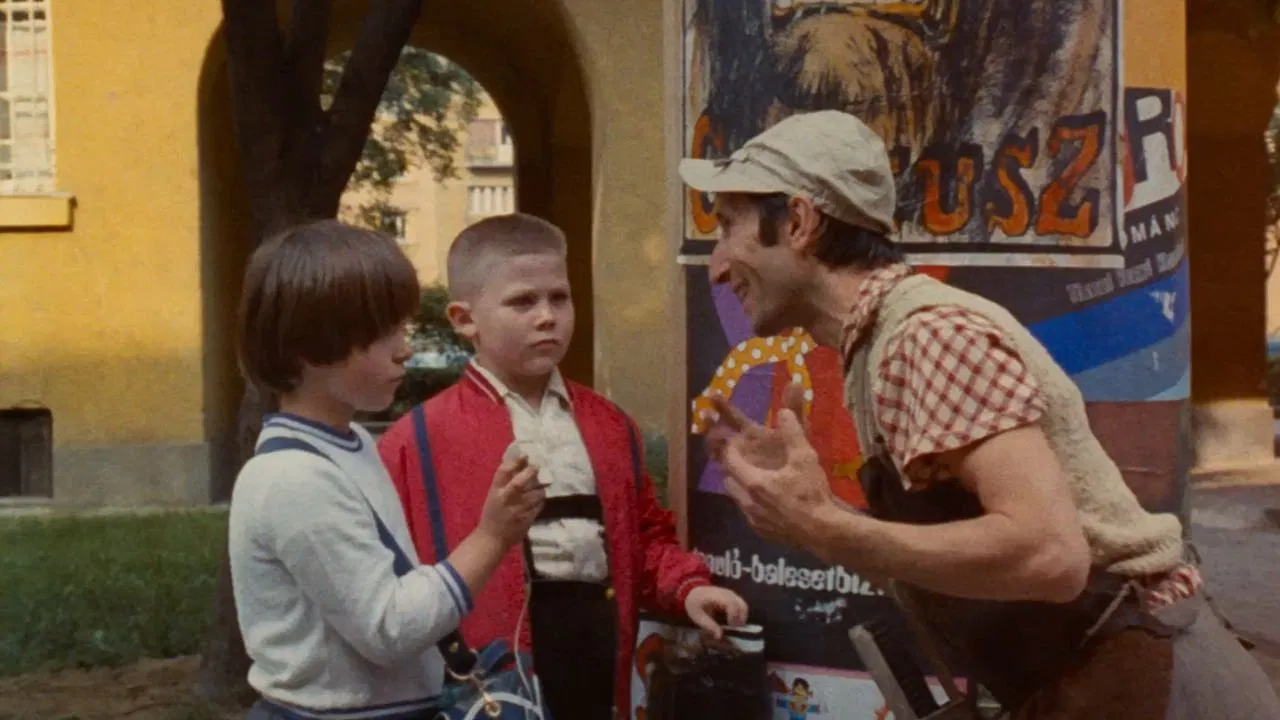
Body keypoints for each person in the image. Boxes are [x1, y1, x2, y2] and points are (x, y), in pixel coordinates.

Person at [679, 110, 1280, 718]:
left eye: (730, 226)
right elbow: (950, 551)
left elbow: (1051, 557)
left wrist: (827, 527)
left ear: (800, 222)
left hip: (1155, 684)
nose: (719, 264)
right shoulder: (876, 346)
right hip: (1102, 678)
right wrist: (811, 512)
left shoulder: (927, 335)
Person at [377, 213, 750, 720]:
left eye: (559, 297)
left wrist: (689, 588)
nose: (547, 316)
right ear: (465, 320)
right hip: (485, 675)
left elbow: (642, 537)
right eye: (522, 302)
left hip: (597, 651)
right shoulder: (414, 442)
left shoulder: (609, 425)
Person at [228, 219, 547, 719]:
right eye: (382, 334)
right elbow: (388, 628)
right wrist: (493, 535)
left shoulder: (348, 444)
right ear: (309, 348)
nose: (405, 348)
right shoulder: (293, 479)